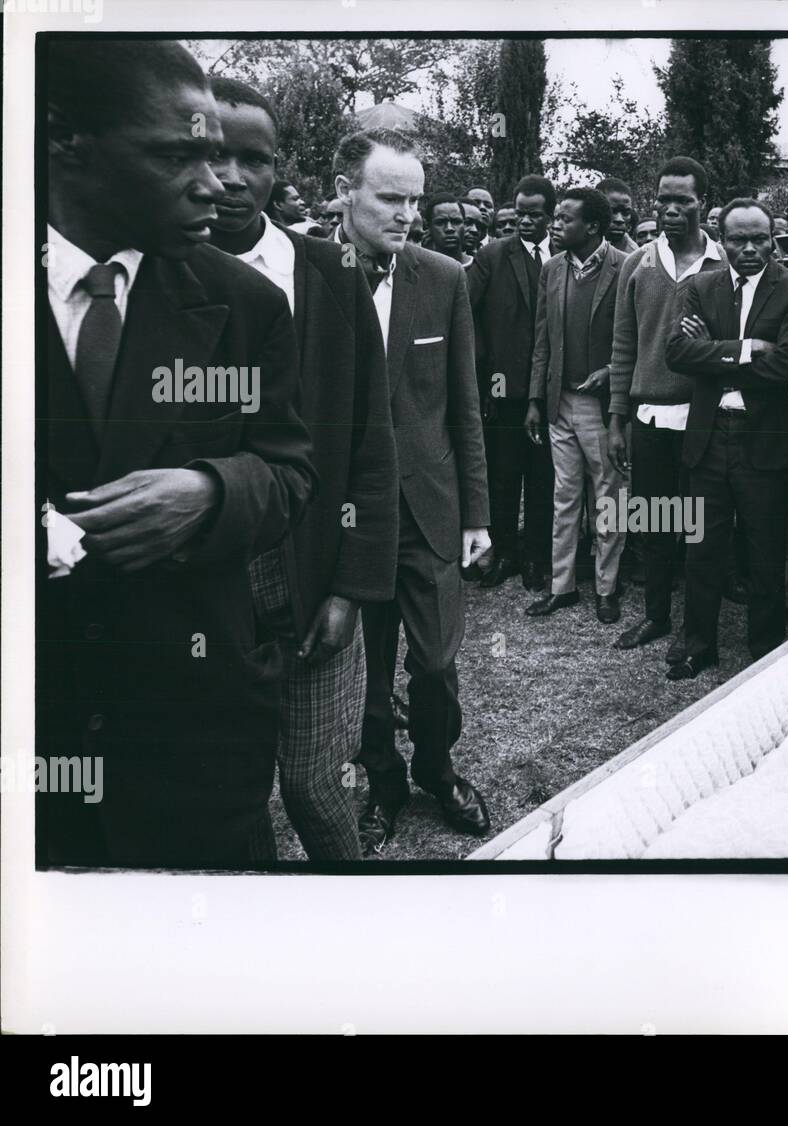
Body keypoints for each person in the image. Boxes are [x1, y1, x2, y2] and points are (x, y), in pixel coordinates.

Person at [38, 39, 317, 868]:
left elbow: (291, 469)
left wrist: (211, 490)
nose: (215, 183)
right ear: (66, 140)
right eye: (177, 156)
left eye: (219, 156)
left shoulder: (243, 304)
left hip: (189, 742)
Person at [207, 80, 398, 861]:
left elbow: (370, 443)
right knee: (228, 789)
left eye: (252, 159)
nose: (230, 177)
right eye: (210, 154)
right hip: (211, 596)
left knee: (318, 787)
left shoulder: (328, 273)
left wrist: (352, 587)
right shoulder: (150, 280)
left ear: (277, 170)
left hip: (316, 573)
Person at [331, 129, 492, 852]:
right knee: (361, 675)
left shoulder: (444, 277)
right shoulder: (307, 277)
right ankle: (382, 782)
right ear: (344, 192)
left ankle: (437, 766)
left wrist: (477, 513)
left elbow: (464, 408)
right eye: (390, 198)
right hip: (345, 519)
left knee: (434, 663)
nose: (407, 214)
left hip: (429, 511)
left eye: (415, 199)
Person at [664, 197, 788, 678]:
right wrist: (748, 348)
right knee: (702, 546)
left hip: (764, 441)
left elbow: (787, 363)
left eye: (759, 239)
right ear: (720, 238)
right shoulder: (701, 287)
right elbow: (677, 353)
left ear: (774, 239)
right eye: (737, 239)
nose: (749, 248)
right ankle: (697, 644)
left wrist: (713, 351)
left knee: (765, 549)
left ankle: (765, 647)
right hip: (708, 438)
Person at [607, 156, 728, 648]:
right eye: (664, 199)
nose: (671, 209)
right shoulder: (638, 263)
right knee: (656, 518)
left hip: (708, 419)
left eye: (684, 200)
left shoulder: (725, 262)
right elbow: (622, 346)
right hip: (650, 417)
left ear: (705, 204)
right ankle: (656, 615)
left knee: (700, 523)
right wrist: (618, 420)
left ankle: (697, 627)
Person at [523, 187, 629, 623]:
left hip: (601, 408)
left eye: (566, 219)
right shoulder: (552, 268)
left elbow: (636, 338)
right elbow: (542, 338)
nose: (556, 224)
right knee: (564, 496)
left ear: (593, 227)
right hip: (559, 403)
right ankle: (561, 586)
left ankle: (607, 588)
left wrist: (611, 372)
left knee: (609, 497)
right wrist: (534, 399)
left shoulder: (626, 267)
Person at [467, 174, 558, 592]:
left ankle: (537, 556)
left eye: (533, 214)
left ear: (550, 216)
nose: (524, 221)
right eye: (519, 212)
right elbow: (468, 317)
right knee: (503, 475)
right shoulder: (492, 256)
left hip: (550, 390)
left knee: (543, 477)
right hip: (503, 390)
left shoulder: (564, 254)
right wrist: (486, 378)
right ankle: (504, 553)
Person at [423, 192, 472, 265]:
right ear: (428, 227)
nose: (449, 229)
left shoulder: (479, 267)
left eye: (456, 222)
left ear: (464, 224)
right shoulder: (419, 268)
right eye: (440, 222)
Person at [598, 176, 639, 252]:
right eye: (612, 211)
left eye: (626, 213)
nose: (619, 219)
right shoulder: (574, 242)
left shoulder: (634, 255)